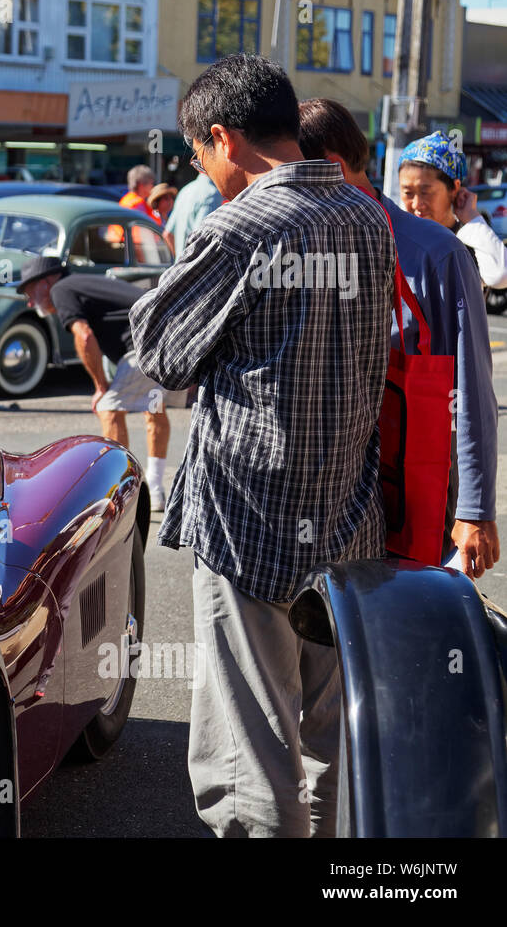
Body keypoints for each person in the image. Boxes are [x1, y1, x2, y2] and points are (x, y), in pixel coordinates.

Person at [129, 54, 395, 838]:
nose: (202, 172)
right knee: (326, 736)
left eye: (198, 155)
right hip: (345, 515)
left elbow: (161, 351)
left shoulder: (241, 226)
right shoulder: (362, 217)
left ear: (223, 137)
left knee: (247, 752)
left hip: (247, 515)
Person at [299, 99, 498, 577]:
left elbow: (470, 388)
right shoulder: (301, 244)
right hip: (318, 498)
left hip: (409, 489)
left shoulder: (436, 253)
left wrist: (474, 508)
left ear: (331, 167)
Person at [48, 265, 185, 510]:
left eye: (29, 293)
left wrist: (100, 387)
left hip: (143, 348)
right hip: (170, 340)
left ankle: (121, 494)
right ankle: (155, 489)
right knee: (154, 408)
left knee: (108, 407)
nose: (29, 303)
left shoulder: (60, 289)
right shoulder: (88, 282)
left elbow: (85, 336)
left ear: (45, 281)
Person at [398, 132, 507, 292]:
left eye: (426, 192)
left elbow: (500, 275)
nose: (416, 204)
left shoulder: (468, 244)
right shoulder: (395, 238)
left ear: (455, 188)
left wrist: (471, 217)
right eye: (408, 193)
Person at [163, 172, 223, 257]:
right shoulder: (212, 193)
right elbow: (201, 238)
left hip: (181, 266)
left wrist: (179, 260)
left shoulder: (185, 190)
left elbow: (168, 234)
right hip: (197, 267)